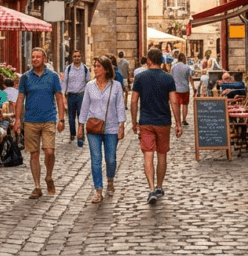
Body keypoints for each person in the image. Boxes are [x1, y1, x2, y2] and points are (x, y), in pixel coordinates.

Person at [130, 47, 181, 205]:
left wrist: (133, 121)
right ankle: (159, 186)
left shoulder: (140, 78)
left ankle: (151, 189)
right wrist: (178, 123)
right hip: (163, 122)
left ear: (149, 61)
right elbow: (174, 101)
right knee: (162, 155)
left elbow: (133, 101)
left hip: (146, 122)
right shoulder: (168, 78)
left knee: (148, 156)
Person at [13, 48, 66, 199]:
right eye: (33, 56)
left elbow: (59, 97)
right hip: (30, 120)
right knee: (34, 154)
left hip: (49, 118)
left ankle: (48, 176)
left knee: (49, 151)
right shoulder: (25, 77)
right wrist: (17, 119)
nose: (35, 59)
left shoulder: (53, 76)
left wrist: (61, 119)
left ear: (44, 59)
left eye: (38, 57)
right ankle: (37, 186)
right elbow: (20, 99)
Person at [77, 56, 126, 203]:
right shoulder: (90, 86)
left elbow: (120, 106)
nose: (95, 68)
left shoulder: (116, 86)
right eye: (94, 66)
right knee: (96, 159)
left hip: (111, 127)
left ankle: (110, 179)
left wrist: (122, 125)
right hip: (93, 128)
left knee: (111, 159)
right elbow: (84, 107)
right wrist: (80, 126)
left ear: (106, 69)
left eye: (98, 66)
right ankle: (98, 190)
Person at [62, 50, 90, 143]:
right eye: (75, 56)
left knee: (81, 116)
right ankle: (72, 134)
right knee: (71, 117)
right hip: (71, 95)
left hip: (81, 96)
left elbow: (88, 82)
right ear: (72, 58)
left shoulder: (85, 68)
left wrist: (88, 96)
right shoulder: (68, 68)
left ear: (80, 57)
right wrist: (63, 95)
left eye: (78, 56)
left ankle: (81, 134)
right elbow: (65, 82)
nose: (76, 58)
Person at [170, 53, 192, 125]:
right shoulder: (187, 67)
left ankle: (177, 120)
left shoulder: (173, 67)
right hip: (185, 88)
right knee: (185, 105)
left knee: (177, 105)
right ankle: (184, 120)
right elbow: (189, 77)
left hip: (176, 89)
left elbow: (171, 78)